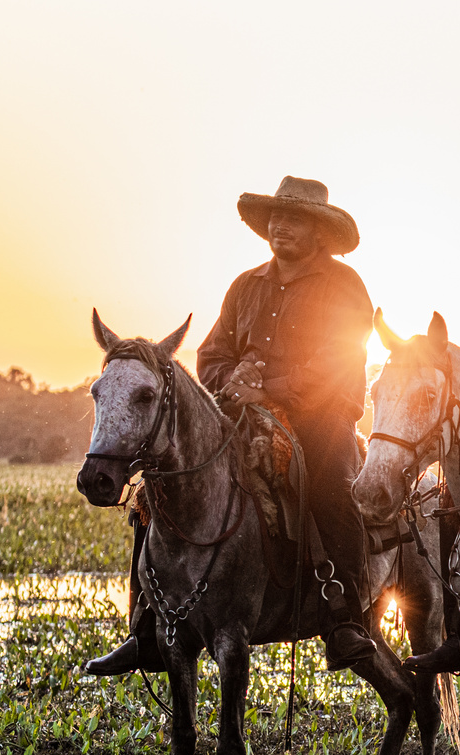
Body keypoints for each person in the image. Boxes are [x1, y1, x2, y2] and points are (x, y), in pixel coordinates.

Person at [85, 176, 379, 675]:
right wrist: (233, 377)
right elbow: (212, 353)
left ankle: (344, 616)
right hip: (241, 413)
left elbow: (339, 359)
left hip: (319, 415)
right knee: (157, 490)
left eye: (295, 219)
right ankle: (146, 626)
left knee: (327, 486)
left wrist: (273, 387)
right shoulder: (246, 285)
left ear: (319, 232)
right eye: (276, 219)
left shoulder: (342, 286)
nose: (281, 226)